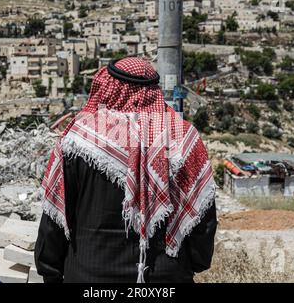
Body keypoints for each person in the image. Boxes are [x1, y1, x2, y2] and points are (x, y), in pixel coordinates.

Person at [35, 57, 217, 283]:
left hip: (90, 275)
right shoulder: (183, 139)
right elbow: (204, 219)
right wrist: (191, 263)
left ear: (109, 86)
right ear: (153, 90)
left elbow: (54, 218)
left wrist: (50, 271)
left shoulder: (78, 139)